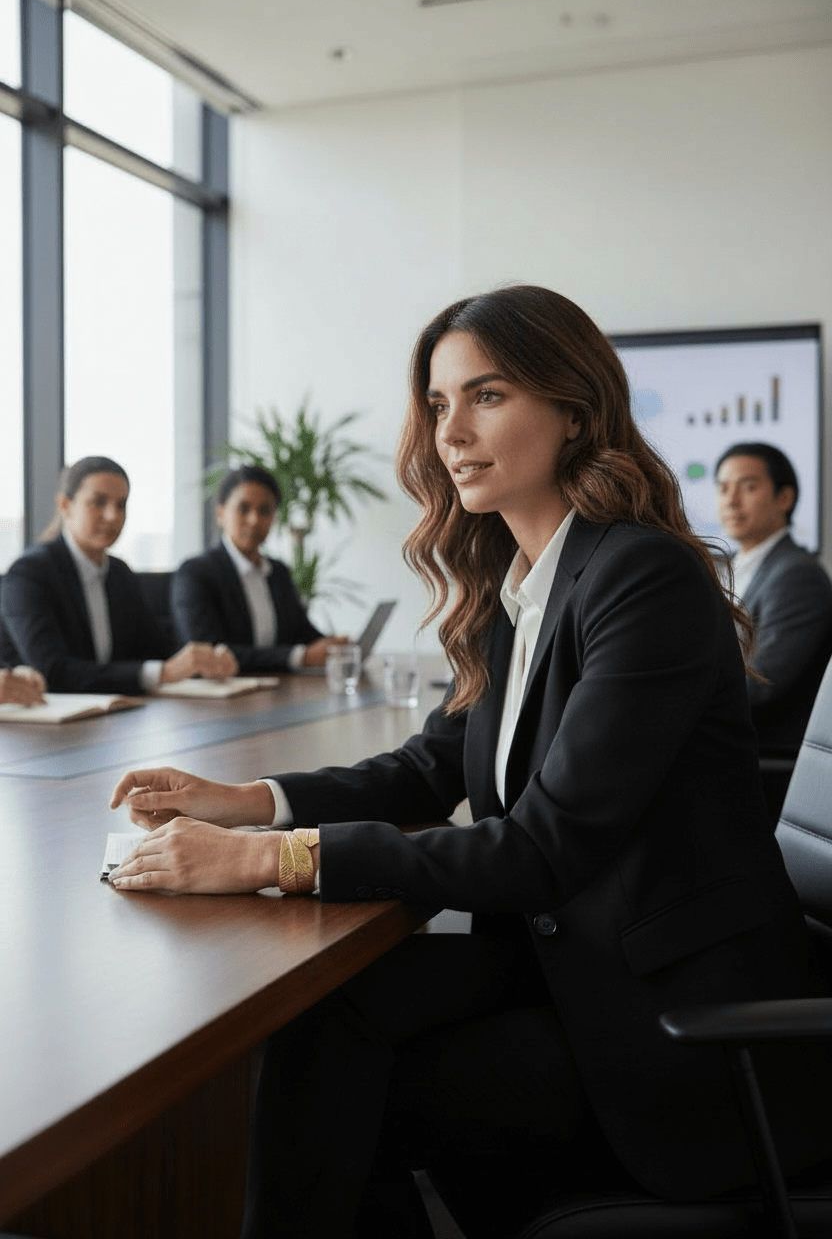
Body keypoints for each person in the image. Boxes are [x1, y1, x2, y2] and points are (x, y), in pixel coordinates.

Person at [108, 287, 830, 1238]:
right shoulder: (523, 582)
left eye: (486, 396)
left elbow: (537, 850)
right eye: (442, 405)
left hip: (664, 1020)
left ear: (575, 409)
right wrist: (248, 801)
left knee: (337, 1100)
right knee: (325, 1023)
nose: (453, 433)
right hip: (567, 956)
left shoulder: (641, 577)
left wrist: (264, 862)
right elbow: (431, 765)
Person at [0, 456, 238, 694]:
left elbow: (155, 650)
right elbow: (53, 671)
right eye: (98, 502)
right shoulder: (29, 574)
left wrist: (203, 661)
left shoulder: (119, 573)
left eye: (121, 504)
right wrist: (163, 672)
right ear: (65, 505)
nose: (113, 515)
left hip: (111, 716)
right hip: (45, 724)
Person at [715, 442, 832, 756]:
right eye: (723, 488)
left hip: (764, 754)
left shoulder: (797, 576)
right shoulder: (726, 568)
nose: (731, 500)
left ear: (784, 497)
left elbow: (762, 683)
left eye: (748, 487)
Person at [170, 465, 347, 672]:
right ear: (220, 513)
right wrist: (300, 657)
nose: (254, 520)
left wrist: (334, 647)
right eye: (243, 509)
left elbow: (303, 633)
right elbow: (208, 653)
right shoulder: (195, 573)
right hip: (221, 697)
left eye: (265, 510)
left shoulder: (277, 572)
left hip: (278, 691)